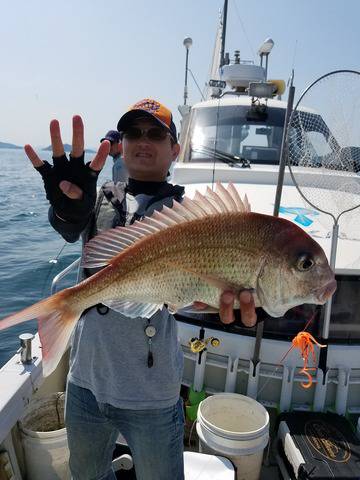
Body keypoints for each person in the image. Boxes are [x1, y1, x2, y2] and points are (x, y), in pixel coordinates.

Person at [24, 98, 257, 480]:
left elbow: (204, 296)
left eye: (156, 134)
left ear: (175, 150)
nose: (142, 141)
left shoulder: (193, 216)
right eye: (133, 132)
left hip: (153, 393)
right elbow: (69, 226)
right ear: (122, 143)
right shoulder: (98, 199)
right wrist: (68, 206)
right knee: (87, 475)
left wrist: (245, 302)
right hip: (85, 383)